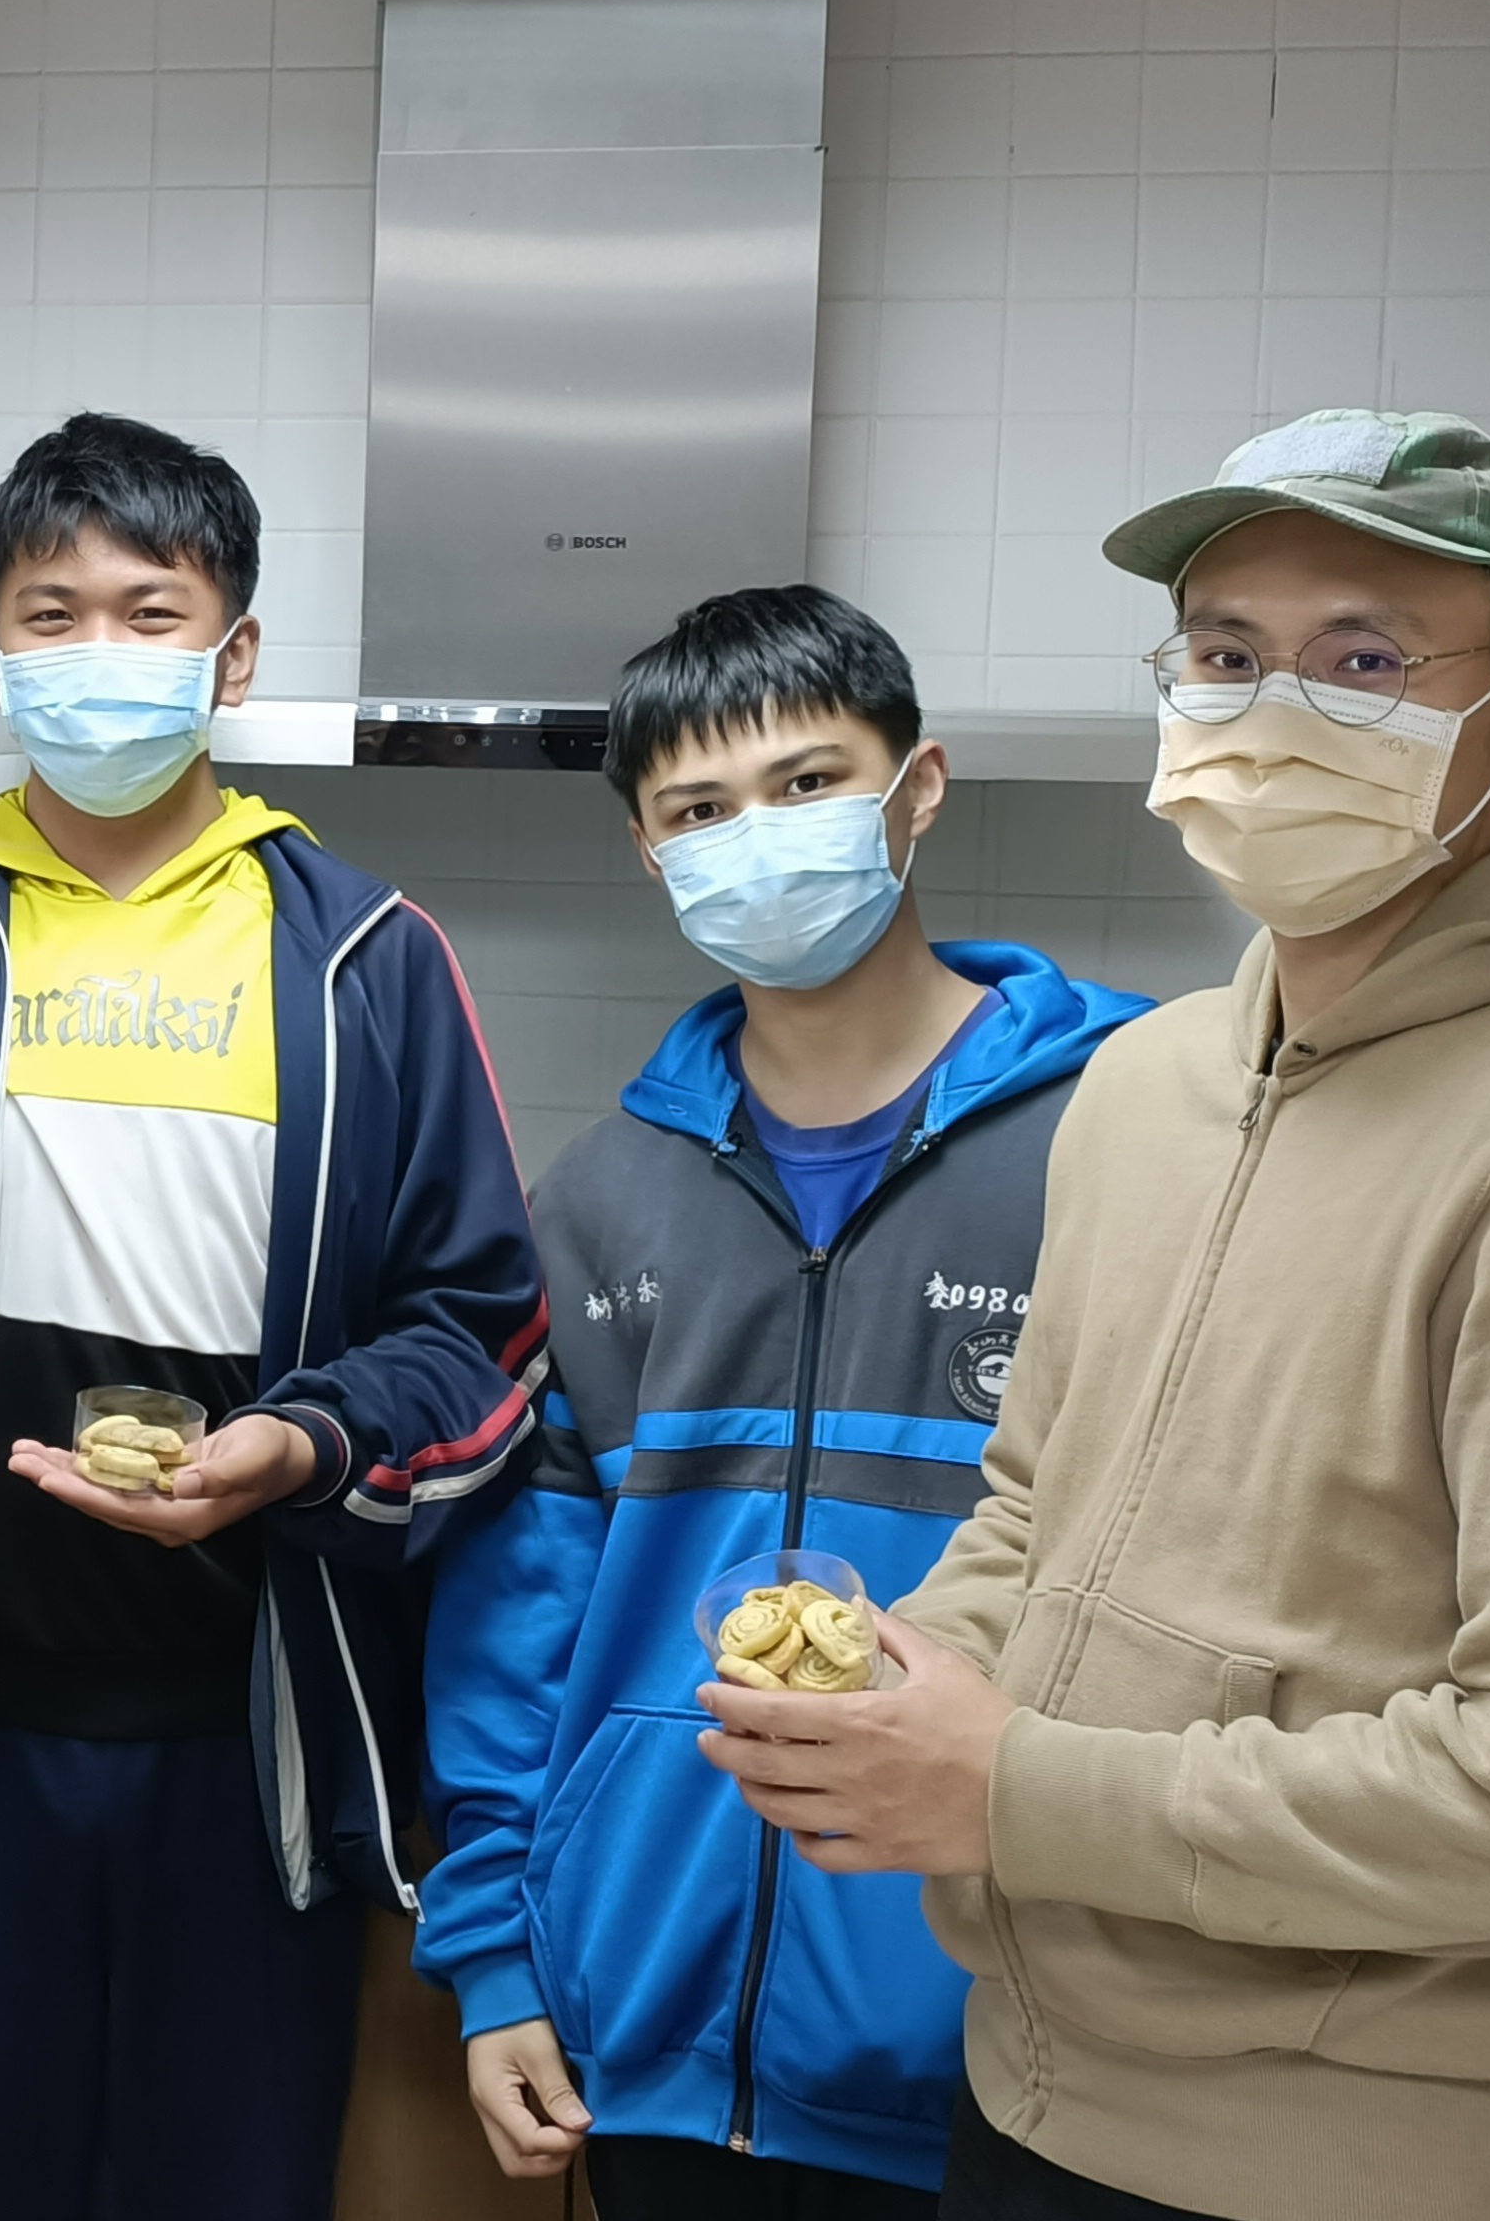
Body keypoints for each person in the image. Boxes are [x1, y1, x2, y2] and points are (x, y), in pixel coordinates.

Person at [694, 412, 1490, 2221]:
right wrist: (899, 1688)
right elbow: (1035, 1510)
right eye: (1229, 656)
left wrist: (1012, 1794)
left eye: (1367, 662)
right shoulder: (1147, 1083)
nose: (1271, 713)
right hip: (1028, 2109)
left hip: (1384, 2176)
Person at [0, 412, 552, 2221]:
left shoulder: (364, 960)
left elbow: (480, 1331)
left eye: (149, 613)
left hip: (258, 1762)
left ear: (233, 656)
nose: (100, 653)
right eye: (53, 614)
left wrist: (301, 1445)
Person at [415, 586, 1151, 2218]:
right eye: (699, 809)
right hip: (654, 2056)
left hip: (1022, 2057)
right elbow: (518, 1627)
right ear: (649, 851)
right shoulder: (603, 1201)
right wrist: (494, 1957)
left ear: (919, 786)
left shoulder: (1127, 1139)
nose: (757, 837)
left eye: (809, 783)